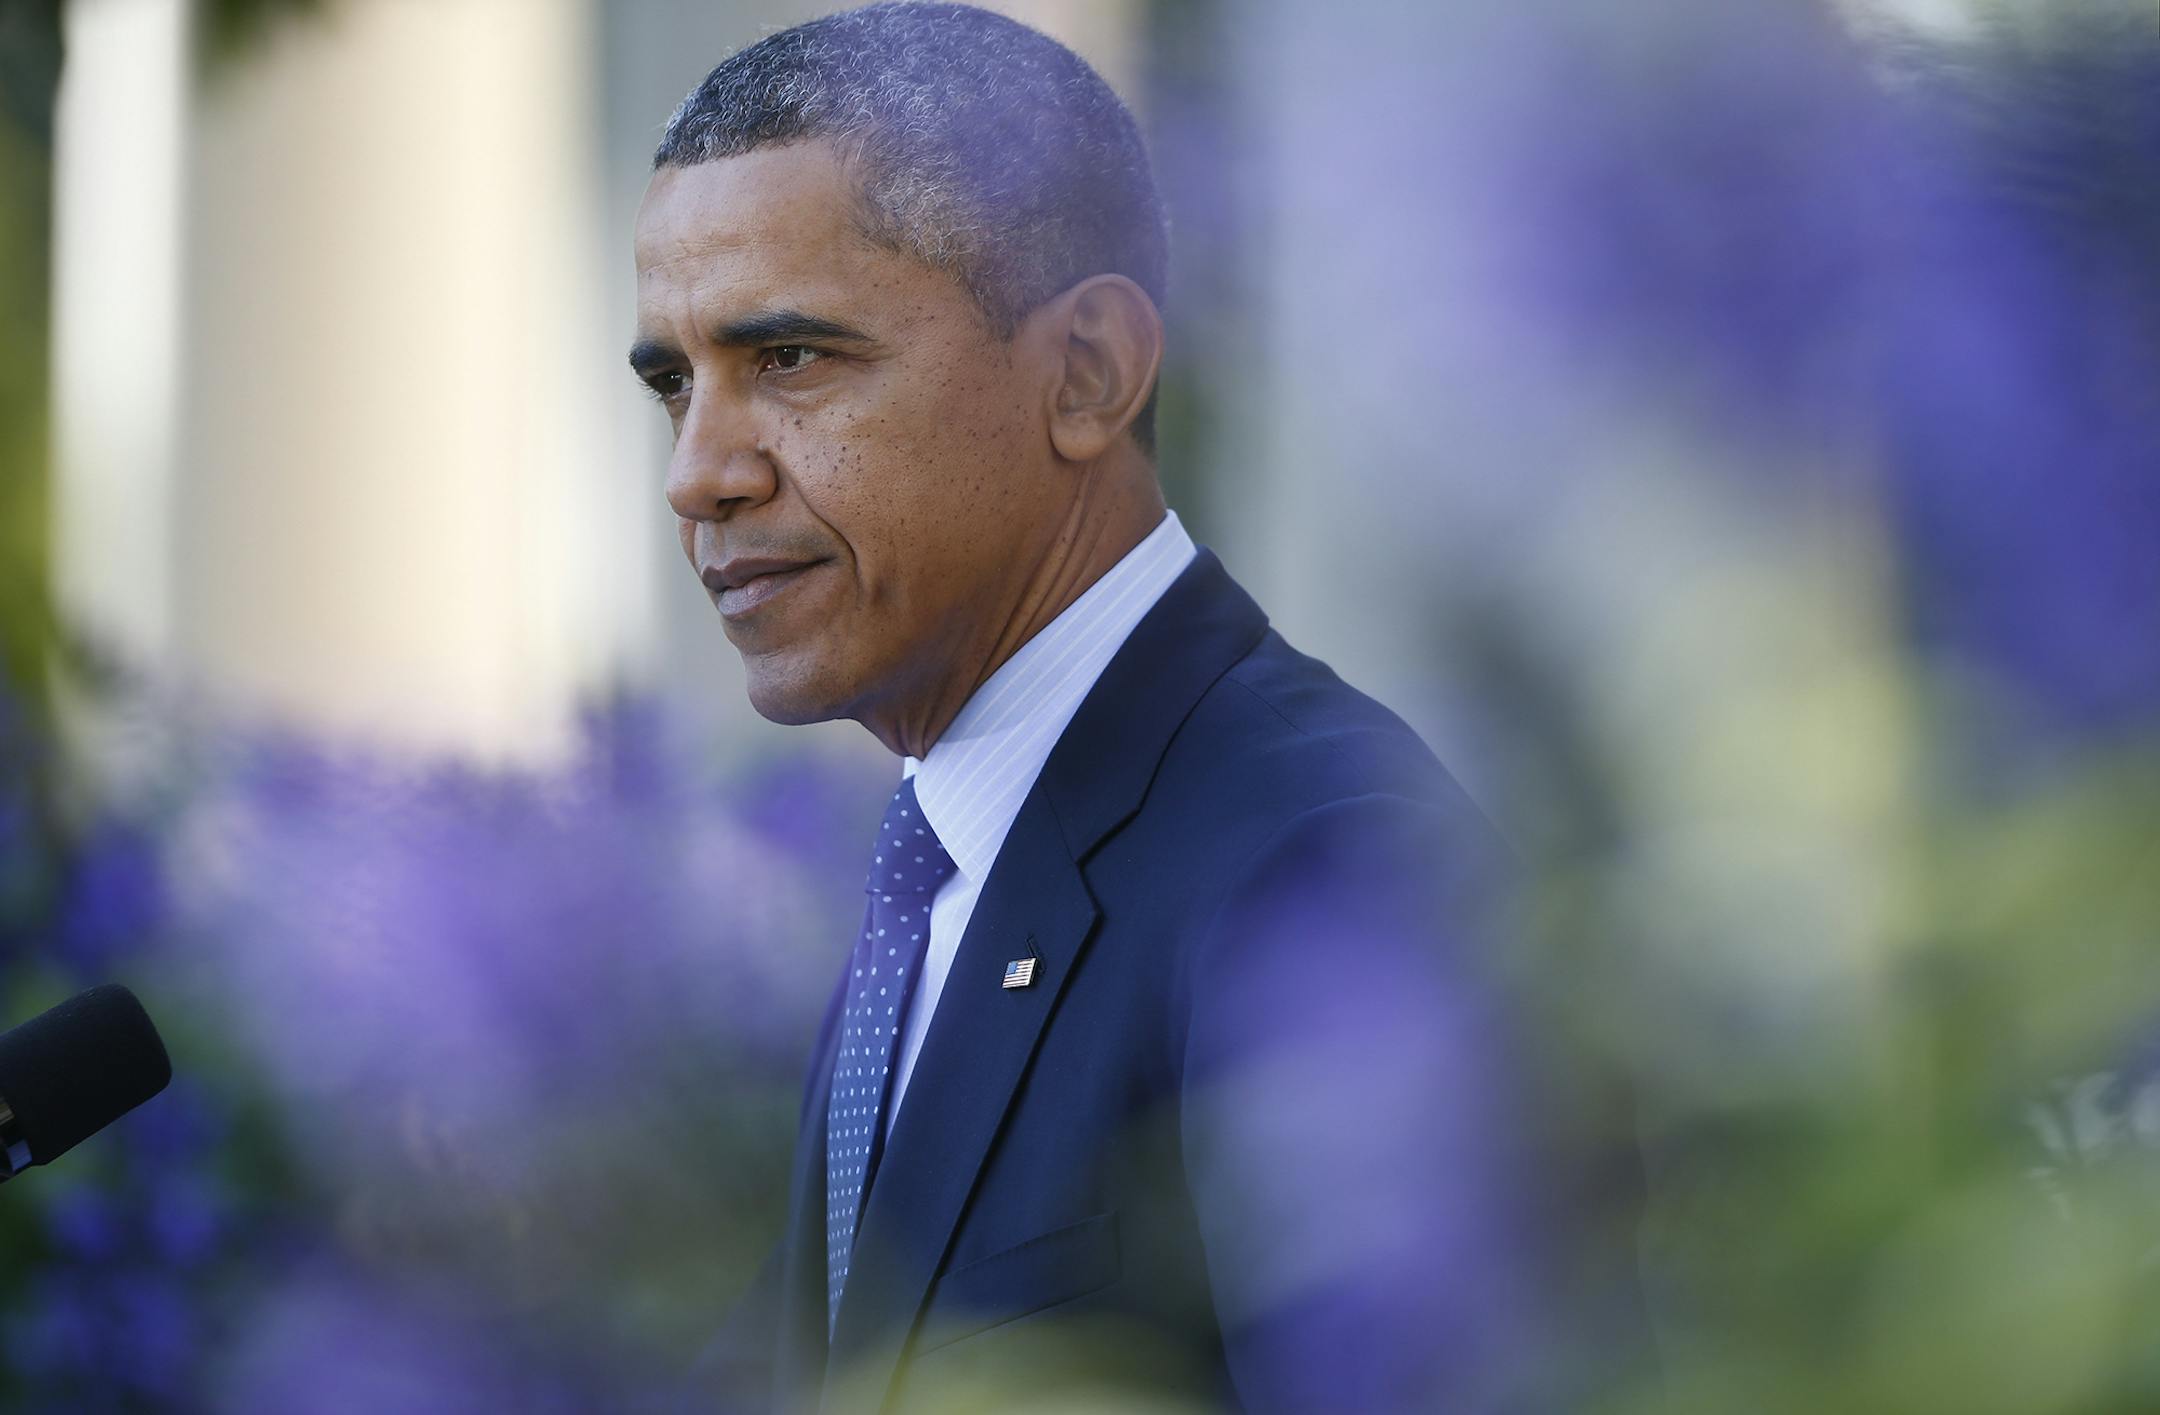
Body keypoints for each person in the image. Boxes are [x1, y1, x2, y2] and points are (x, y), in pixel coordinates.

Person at [631, 5, 1631, 1410]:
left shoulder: (1319, 858)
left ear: (1090, 372)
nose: (699, 471)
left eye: (790, 360)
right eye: (676, 382)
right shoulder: (939, 859)